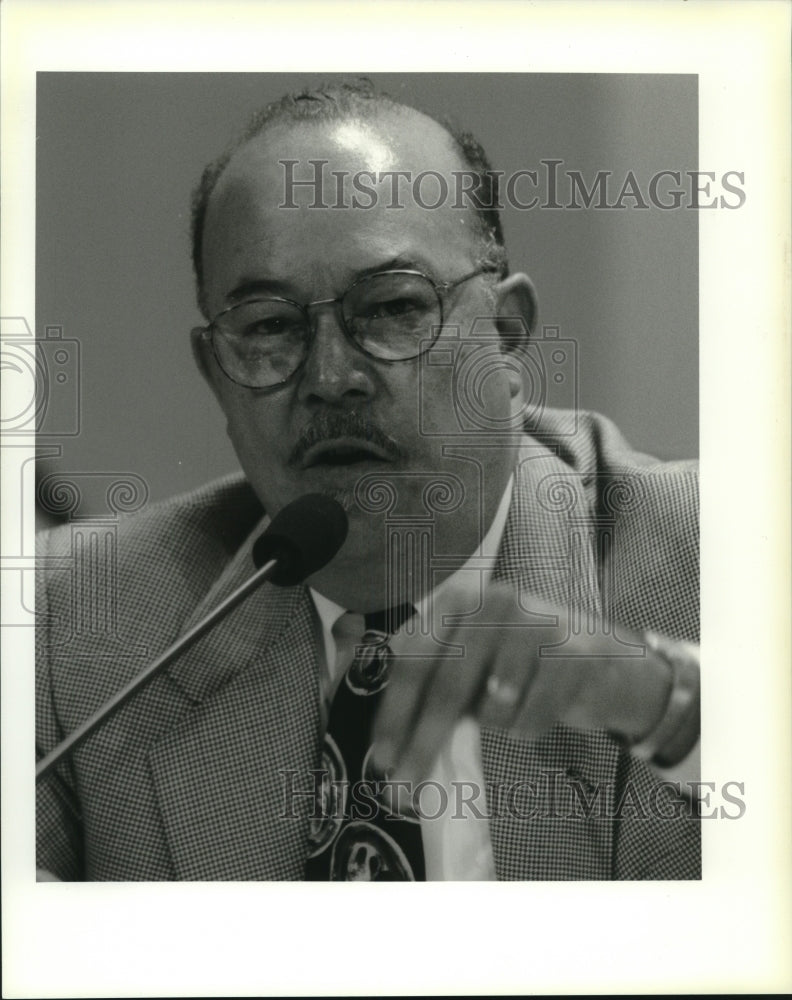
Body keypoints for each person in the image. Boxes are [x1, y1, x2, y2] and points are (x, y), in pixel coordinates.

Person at [36, 80, 700, 881]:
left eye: (390, 308)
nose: (330, 376)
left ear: (506, 335)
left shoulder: (718, 555)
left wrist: (673, 709)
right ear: (217, 376)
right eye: (270, 328)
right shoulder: (73, 628)